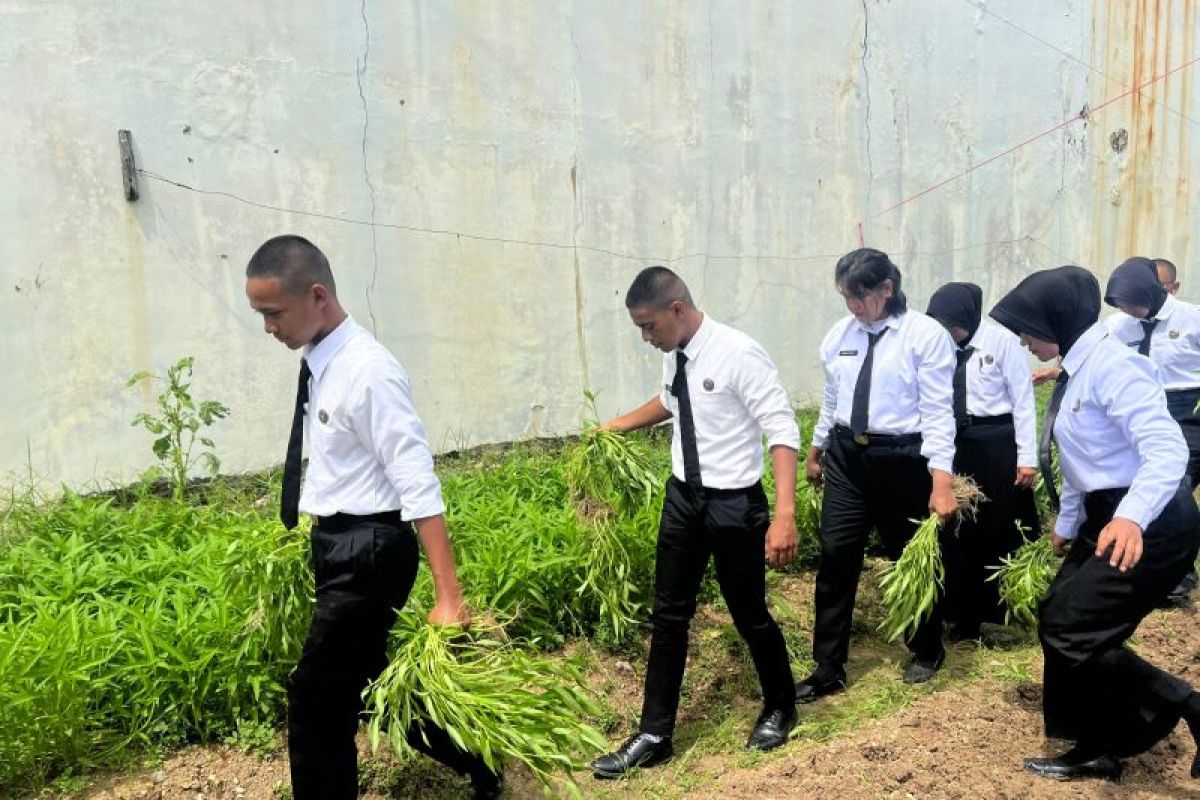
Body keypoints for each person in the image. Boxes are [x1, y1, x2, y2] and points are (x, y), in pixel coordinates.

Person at [244, 235, 502, 800]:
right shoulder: (321, 360)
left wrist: (448, 596)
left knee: (314, 696)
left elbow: (418, 483)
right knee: (366, 684)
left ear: (317, 296)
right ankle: (477, 755)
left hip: (372, 550)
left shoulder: (369, 372)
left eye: (273, 314)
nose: (269, 329)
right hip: (339, 544)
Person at [990, 265, 1200, 782]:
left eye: (1029, 327)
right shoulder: (1079, 368)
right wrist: (1067, 523)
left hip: (1152, 520)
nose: (1022, 340)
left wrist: (1130, 518)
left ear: (1057, 320)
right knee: (1060, 613)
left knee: (1071, 628)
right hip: (1107, 515)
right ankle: (1094, 739)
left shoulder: (1114, 367)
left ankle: (1186, 707)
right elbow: (1088, 461)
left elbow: (1167, 449)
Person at [590, 266, 800, 778]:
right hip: (683, 500)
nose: (645, 338)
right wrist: (614, 425)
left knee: (749, 613)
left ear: (676, 310)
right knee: (668, 616)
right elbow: (671, 400)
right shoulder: (676, 353)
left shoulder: (738, 353)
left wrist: (784, 514)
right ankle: (655, 733)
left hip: (734, 506)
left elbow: (781, 425)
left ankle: (780, 707)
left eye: (649, 326)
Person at [800, 248, 958, 702]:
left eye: (859, 296)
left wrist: (940, 480)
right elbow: (832, 398)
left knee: (910, 558)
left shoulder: (924, 336)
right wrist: (817, 447)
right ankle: (828, 666)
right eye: (845, 297)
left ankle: (926, 649)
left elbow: (938, 412)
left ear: (886, 289)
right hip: (848, 458)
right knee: (836, 555)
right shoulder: (839, 336)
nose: (852, 306)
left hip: (902, 459)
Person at [925, 282, 1039, 640]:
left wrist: (1027, 458)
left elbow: (1023, 401)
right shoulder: (936, 344)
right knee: (958, 528)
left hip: (997, 442)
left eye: (952, 324)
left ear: (969, 317)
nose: (946, 330)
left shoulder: (1001, 342)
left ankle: (1003, 610)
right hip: (954, 443)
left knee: (998, 524)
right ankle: (961, 611)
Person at [1104, 256, 1200, 603]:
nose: (1127, 310)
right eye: (1122, 304)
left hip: (1187, 410)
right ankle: (1154, 564)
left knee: (1173, 486)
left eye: (1132, 302)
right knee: (1148, 486)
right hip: (1141, 410)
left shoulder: (1191, 319)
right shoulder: (1117, 327)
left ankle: (1179, 575)